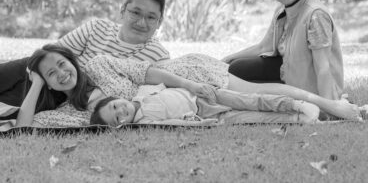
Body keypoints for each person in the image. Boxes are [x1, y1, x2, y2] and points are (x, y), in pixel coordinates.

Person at [16, 44, 361, 127]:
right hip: (184, 103)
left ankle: (333, 107)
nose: (61, 73)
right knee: (246, 104)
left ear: (72, 62)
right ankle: (321, 109)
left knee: (250, 92)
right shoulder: (70, 113)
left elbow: (150, 72)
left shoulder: (99, 65)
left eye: (63, 64)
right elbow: (24, 127)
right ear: (46, 81)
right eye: (51, 73)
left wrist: (189, 83)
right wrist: (33, 84)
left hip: (185, 75)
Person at [0, 0, 169, 117]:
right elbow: (55, 54)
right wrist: (42, 74)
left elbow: (146, 96)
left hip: (59, 97)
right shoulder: (97, 27)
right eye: (135, 12)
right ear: (123, 10)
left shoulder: (158, 56)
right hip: (45, 70)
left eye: (151, 17)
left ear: (159, 22)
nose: (141, 22)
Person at [222, 0, 343, 101]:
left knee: (239, 85)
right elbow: (263, 47)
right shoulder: (282, 10)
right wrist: (226, 59)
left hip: (310, 88)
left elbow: (323, 68)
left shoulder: (315, 15)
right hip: (288, 71)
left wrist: (329, 106)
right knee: (235, 69)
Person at [89, 85, 321, 127]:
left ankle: (296, 104)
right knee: (248, 117)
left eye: (115, 107)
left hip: (209, 96)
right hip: (203, 115)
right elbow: (173, 122)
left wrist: (199, 86)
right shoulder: (144, 121)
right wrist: (198, 124)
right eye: (117, 119)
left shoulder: (143, 92)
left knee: (251, 100)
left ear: (118, 98)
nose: (121, 112)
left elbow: (169, 81)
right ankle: (295, 119)